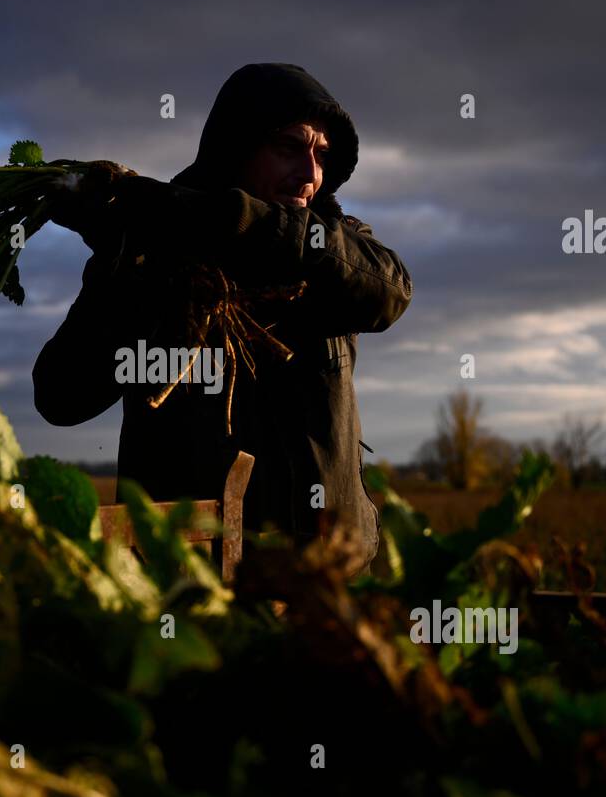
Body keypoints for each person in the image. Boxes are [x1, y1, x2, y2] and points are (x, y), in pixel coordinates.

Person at [33, 62, 411, 563]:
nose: (310, 174)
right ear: (238, 149)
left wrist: (228, 220)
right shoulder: (153, 250)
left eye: (322, 155)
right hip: (189, 580)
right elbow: (61, 397)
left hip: (325, 575)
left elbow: (389, 291)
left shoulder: (330, 247)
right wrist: (126, 263)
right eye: (289, 147)